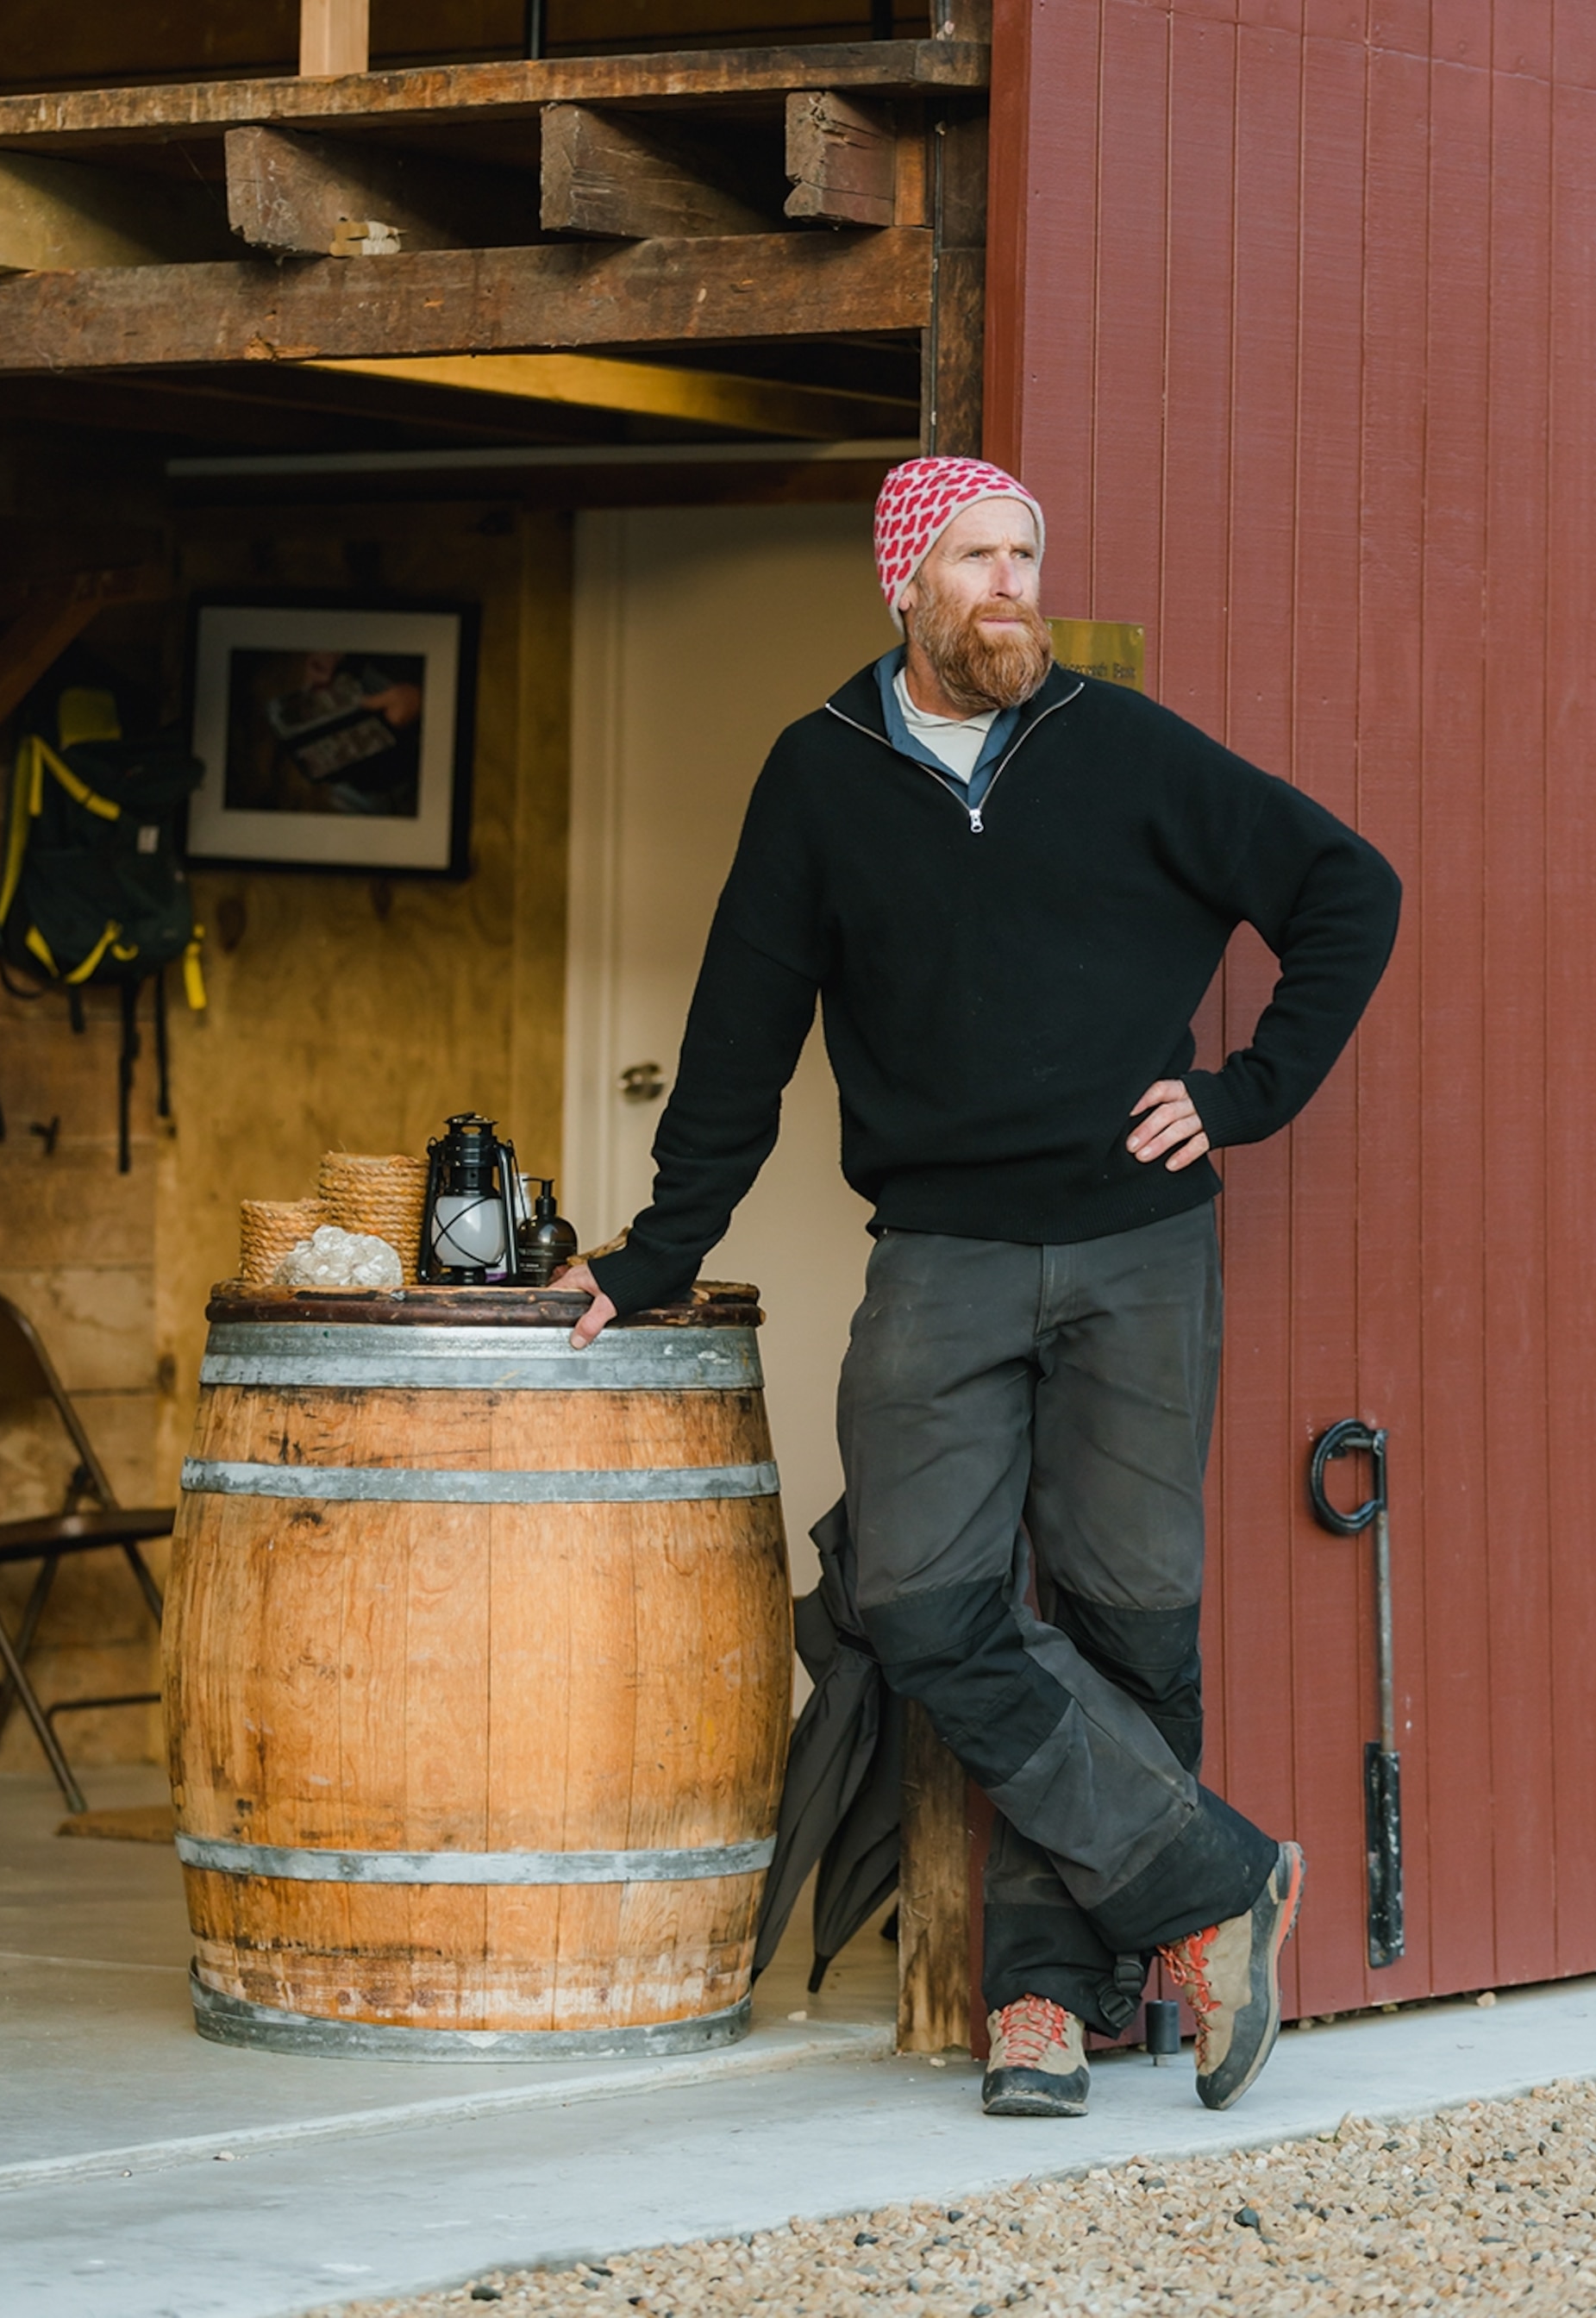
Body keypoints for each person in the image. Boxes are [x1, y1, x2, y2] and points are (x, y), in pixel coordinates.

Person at [557, 456, 1400, 2120]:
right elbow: (739, 1039)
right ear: (906, 583)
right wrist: (659, 1252)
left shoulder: (1124, 746)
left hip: (1138, 1245)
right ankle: (1218, 1884)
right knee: (924, 1605)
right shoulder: (820, 776)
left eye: (1024, 553)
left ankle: (1041, 2003)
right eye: (975, 556)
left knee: (1129, 1622)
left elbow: (1344, 889)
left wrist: (1242, 1093)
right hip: (939, 1253)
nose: (1010, 582)